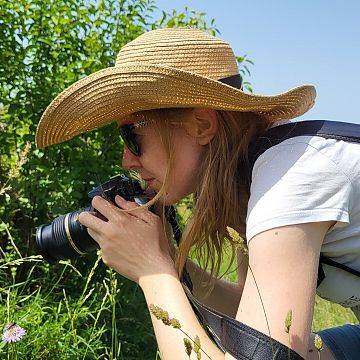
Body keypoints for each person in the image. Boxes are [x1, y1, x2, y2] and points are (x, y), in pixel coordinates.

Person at [35, 27, 360, 359]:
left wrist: (152, 272)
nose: (127, 159)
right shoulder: (250, 179)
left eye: (132, 137)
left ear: (202, 125)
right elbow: (247, 317)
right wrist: (171, 264)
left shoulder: (293, 176)